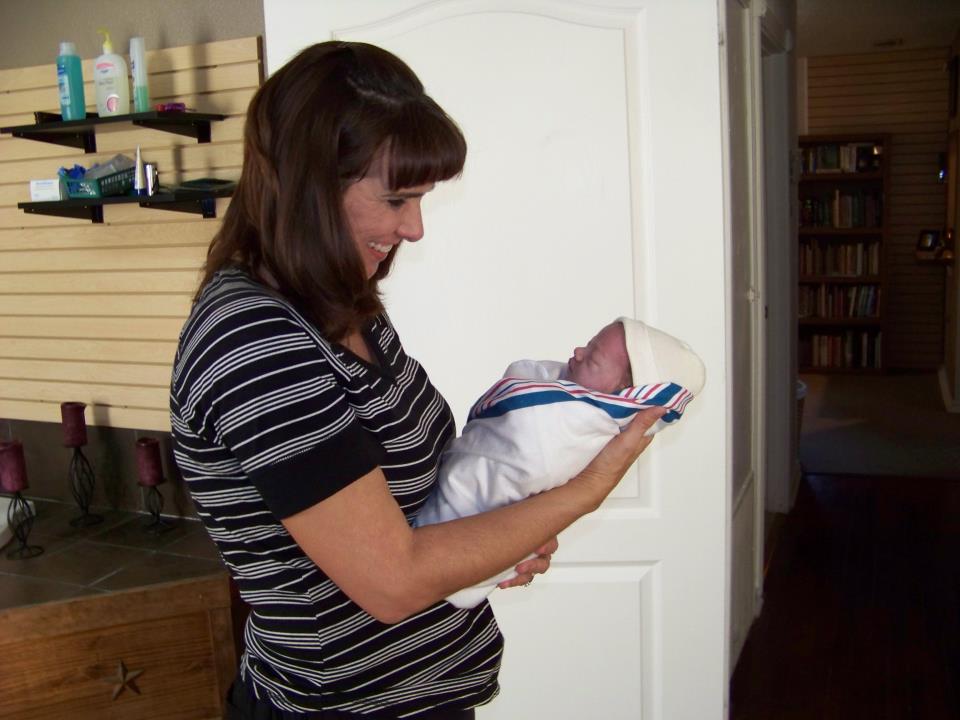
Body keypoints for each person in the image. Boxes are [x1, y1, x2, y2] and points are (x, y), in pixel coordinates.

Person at [169, 41, 665, 719]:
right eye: (397, 197)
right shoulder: (254, 343)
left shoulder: (344, 305)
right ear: (310, 182)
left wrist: (503, 531)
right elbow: (394, 580)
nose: (416, 227)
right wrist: (585, 491)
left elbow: (417, 504)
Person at [417, 318, 705, 608]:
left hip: (448, 583)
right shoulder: (562, 412)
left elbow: (530, 457)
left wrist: (529, 533)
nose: (578, 352)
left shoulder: (558, 430)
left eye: (592, 358)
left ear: (625, 395)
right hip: (427, 570)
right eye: (587, 345)